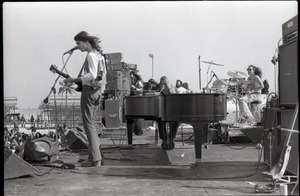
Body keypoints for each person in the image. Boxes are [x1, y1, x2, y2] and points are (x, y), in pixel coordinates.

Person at [63, 31, 106, 167]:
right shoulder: (99, 55)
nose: (77, 46)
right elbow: (101, 76)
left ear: (86, 42)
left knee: (88, 125)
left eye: (78, 43)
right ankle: (94, 157)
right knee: (91, 125)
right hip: (98, 91)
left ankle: (95, 159)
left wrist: (73, 79)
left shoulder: (91, 55)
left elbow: (92, 75)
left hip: (89, 91)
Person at [129, 70, 144, 135]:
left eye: (132, 77)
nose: (131, 78)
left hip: (138, 99)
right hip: (135, 99)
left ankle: (138, 131)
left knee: (136, 116)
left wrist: (134, 88)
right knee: (135, 117)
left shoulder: (139, 82)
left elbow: (141, 91)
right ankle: (136, 131)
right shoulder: (135, 82)